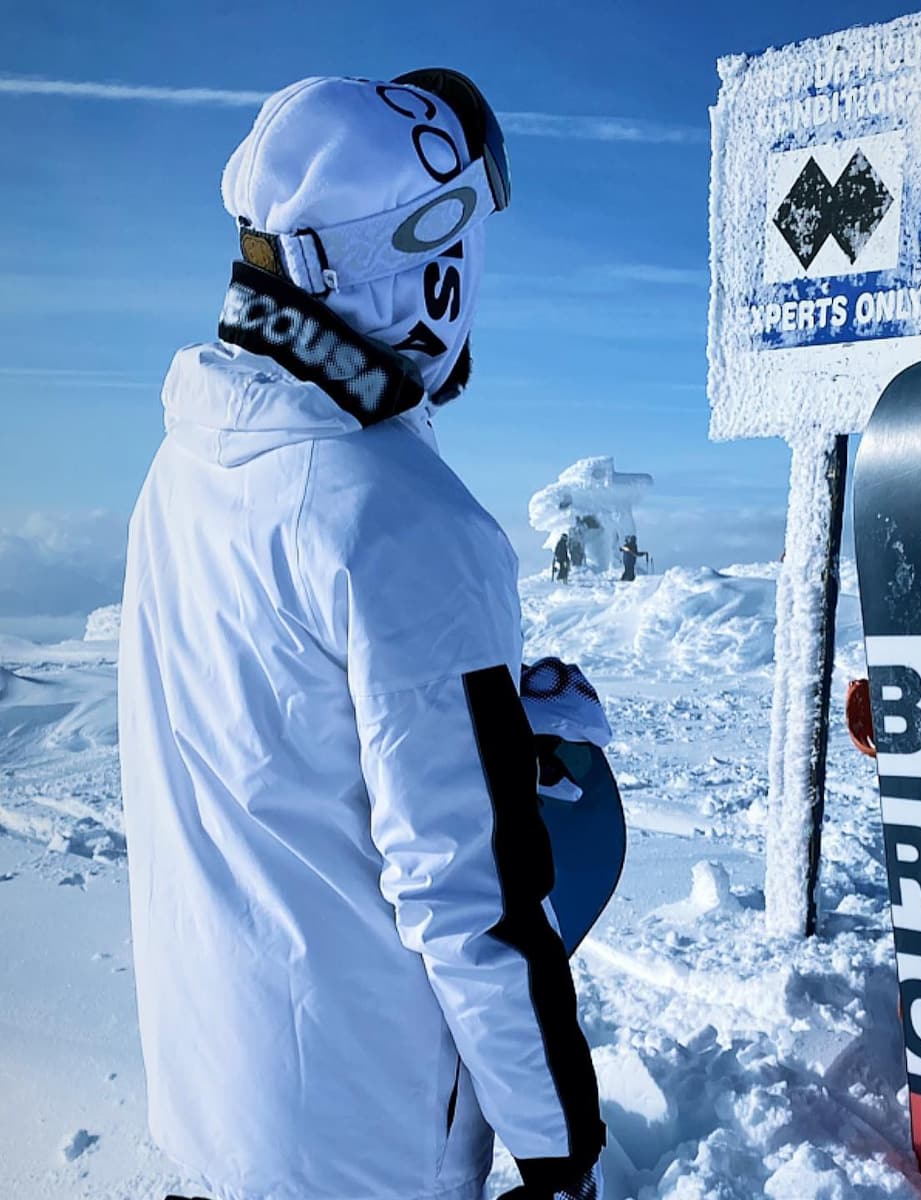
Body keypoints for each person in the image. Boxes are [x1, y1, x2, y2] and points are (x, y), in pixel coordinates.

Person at [118, 71, 604, 1200]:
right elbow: (469, 898)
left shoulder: (188, 464)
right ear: (409, 264)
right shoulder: (408, 525)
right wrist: (560, 1152)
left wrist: (484, 718)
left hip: (216, 1099)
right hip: (369, 1142)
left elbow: (260, 724)